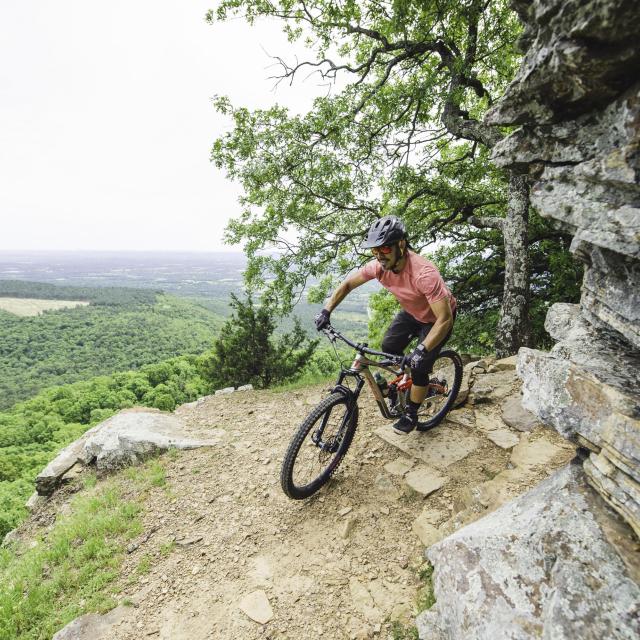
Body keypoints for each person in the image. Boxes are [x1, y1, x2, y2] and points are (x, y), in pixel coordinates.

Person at [315, 215, 456, 435]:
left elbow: (445, 319)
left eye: (385, 250)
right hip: (412, 312)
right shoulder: (379, 267)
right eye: (375, 251)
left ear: (401, 244)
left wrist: (421, 350)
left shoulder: (424, 274)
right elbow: (348, 284)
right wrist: (326, 310)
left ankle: (411, 411)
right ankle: (408, 383)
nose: (379, 256)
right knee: (389, 347)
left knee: (419, 365)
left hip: (437, 319)